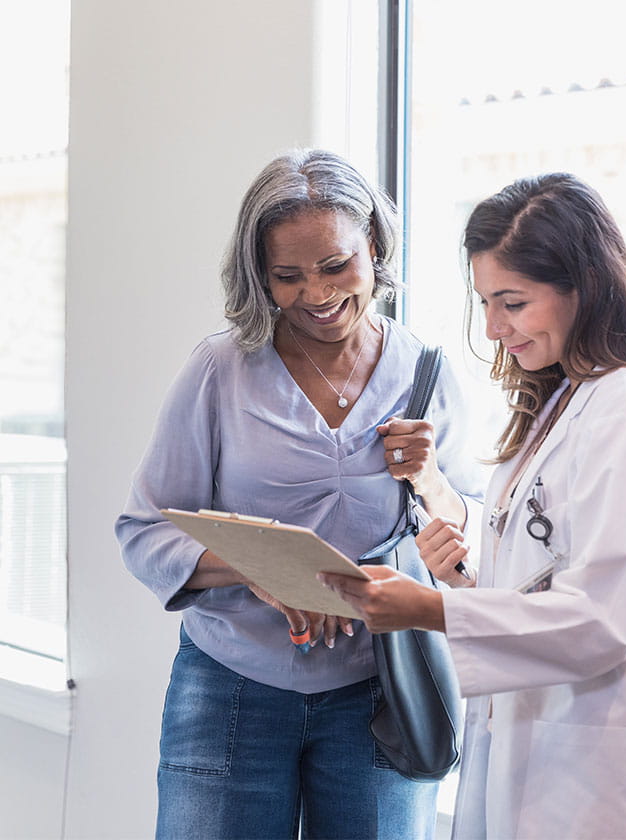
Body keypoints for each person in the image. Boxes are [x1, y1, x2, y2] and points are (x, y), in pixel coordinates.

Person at [320, 172, 626, 839]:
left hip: (610, 779)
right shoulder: (566, 405)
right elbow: (557, 580)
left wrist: (429, 607)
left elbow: (597, 619)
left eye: (511, 302)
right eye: (484, 302)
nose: (492, 327)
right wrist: (467, 577)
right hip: (547, 755)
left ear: (585, 288)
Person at [115, 148, 483, 840]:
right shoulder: (221, 371)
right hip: (229, 691)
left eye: (336, 266)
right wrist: (262, 570)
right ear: (261, 277)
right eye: (288, 276)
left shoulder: (424, 373)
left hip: (380, 696)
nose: (316, 295)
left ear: (372, 245)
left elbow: (480, 540)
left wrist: (432, 483)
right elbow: (143, 531)